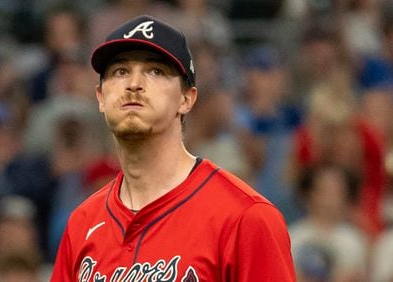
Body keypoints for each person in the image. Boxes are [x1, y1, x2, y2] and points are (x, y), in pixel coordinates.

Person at [51, 15, 295, 281]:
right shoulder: (82, 223)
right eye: (120, 71)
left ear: (186, 99)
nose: (134, 84)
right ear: (100, 97)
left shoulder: (246, 217)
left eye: (155, 71)